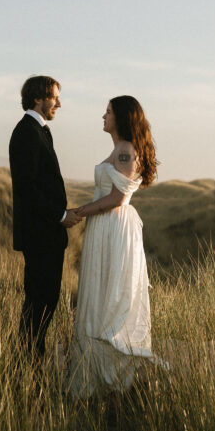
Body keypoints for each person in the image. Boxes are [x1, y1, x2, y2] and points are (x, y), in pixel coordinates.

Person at [67, 95, 162, 397]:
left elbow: (117, 198)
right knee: (97, 291)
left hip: (114, 227)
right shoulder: (119, 150)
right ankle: (93, 377)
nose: (103, 116)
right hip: (104, 227)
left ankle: (113, 379)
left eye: (107, 112)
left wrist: (80, 212)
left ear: (121, 117)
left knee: (109, 296)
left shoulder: (126, 152)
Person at [9, 75, 80, 362]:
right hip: (39, 235)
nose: (59, 104)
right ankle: (28, 365)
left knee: (45, 301)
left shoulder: (40, 130)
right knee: (40, 302)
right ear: (38, 98)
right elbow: (28, 188)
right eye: (54, 97)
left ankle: (30, 362)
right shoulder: (27, 132)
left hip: (46, 235)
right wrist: (60, 215)